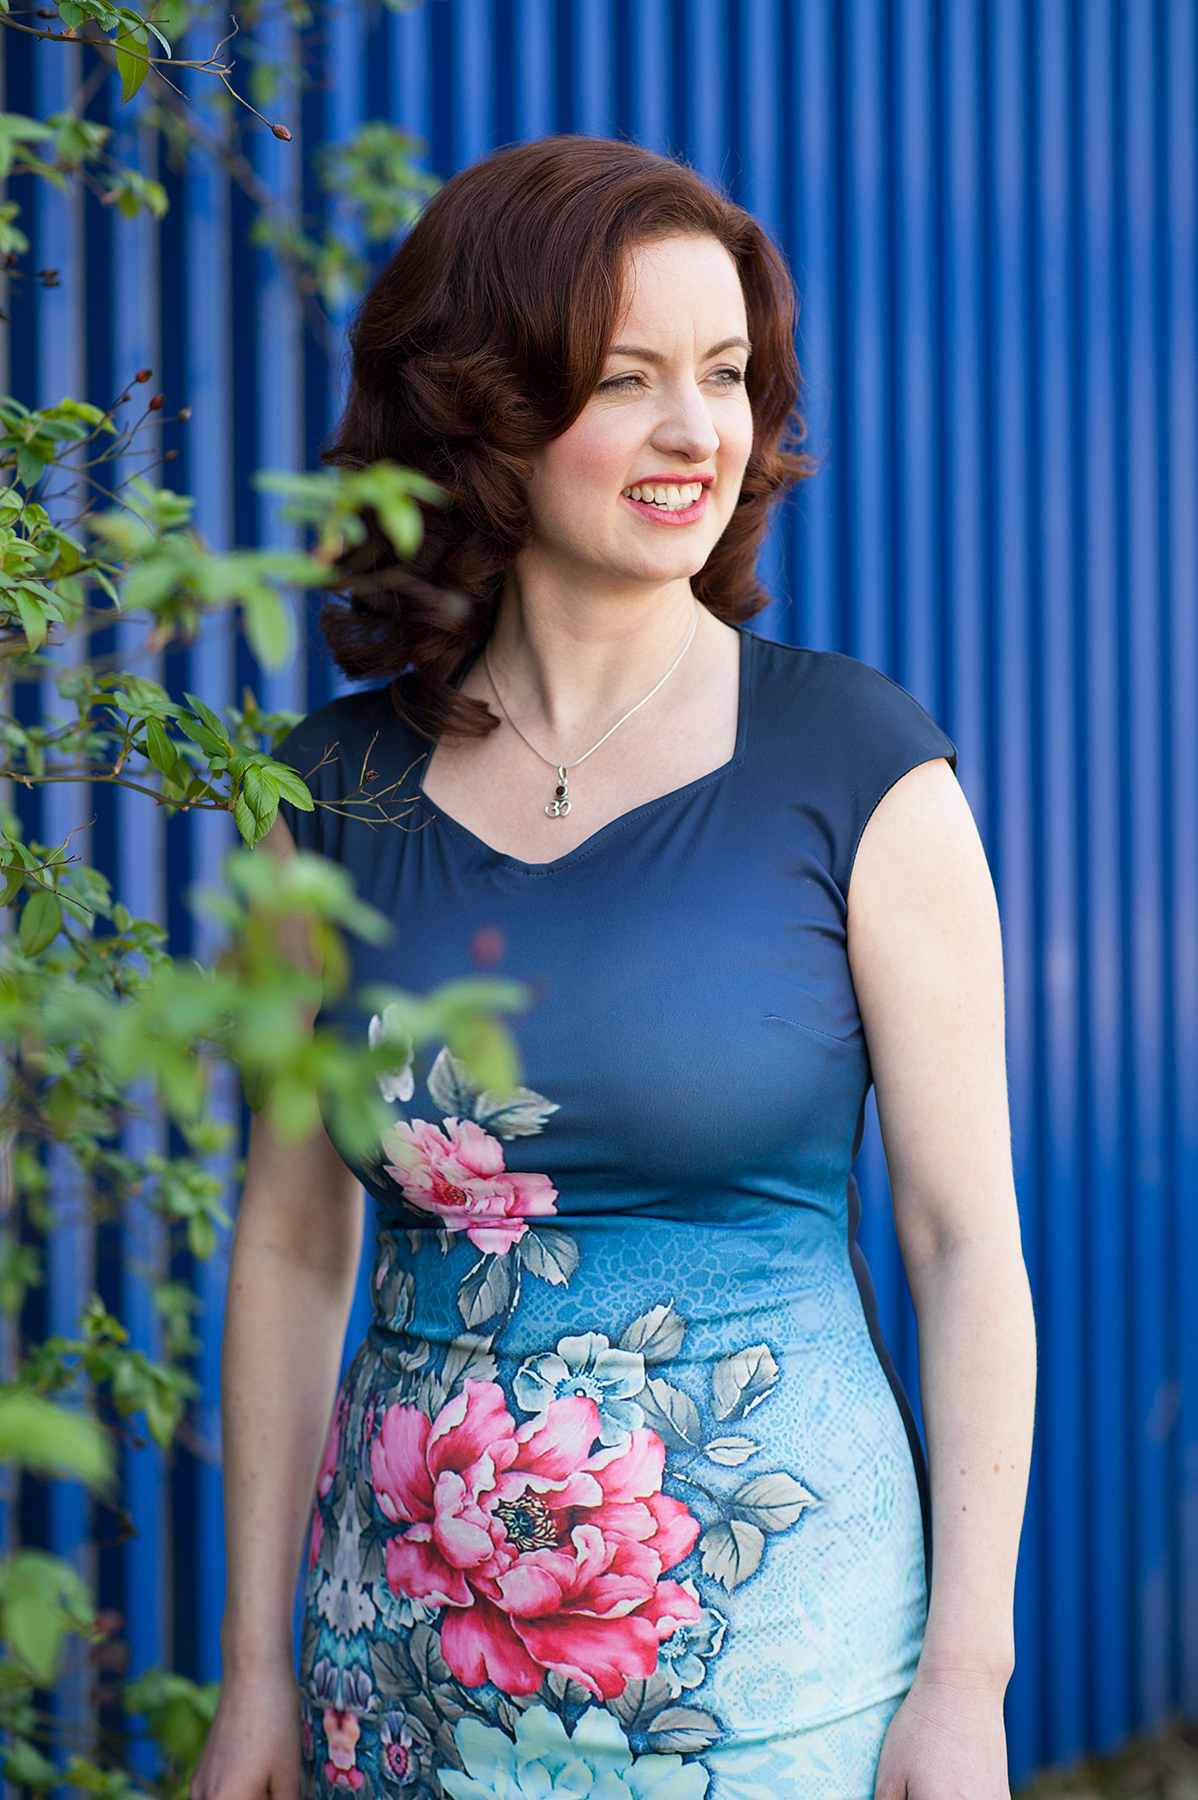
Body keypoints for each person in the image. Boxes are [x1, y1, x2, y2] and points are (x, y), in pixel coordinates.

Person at [192, 136, 1035, 1800]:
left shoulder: (857, 767)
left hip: (783, 1694)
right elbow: (290, 1243)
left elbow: (963, 1247)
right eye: (626, 378)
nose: (696, 431)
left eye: (723, 375)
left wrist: (967, 1681)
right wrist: (254, 1677)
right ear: (485, 411)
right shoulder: (328, 801)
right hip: (396, 1691)